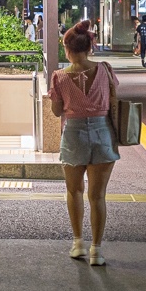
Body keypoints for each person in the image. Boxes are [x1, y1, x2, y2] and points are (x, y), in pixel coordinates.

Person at [48, 20, 119, 265]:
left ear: (67, 49)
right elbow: (114, 100)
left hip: (74, 135)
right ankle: (96, 251)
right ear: (90, 47)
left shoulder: (59, 77)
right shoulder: (106, 70)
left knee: (74, 190)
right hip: (102, 133)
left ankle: (78, 243)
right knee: (97, 196)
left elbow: (57, 111)